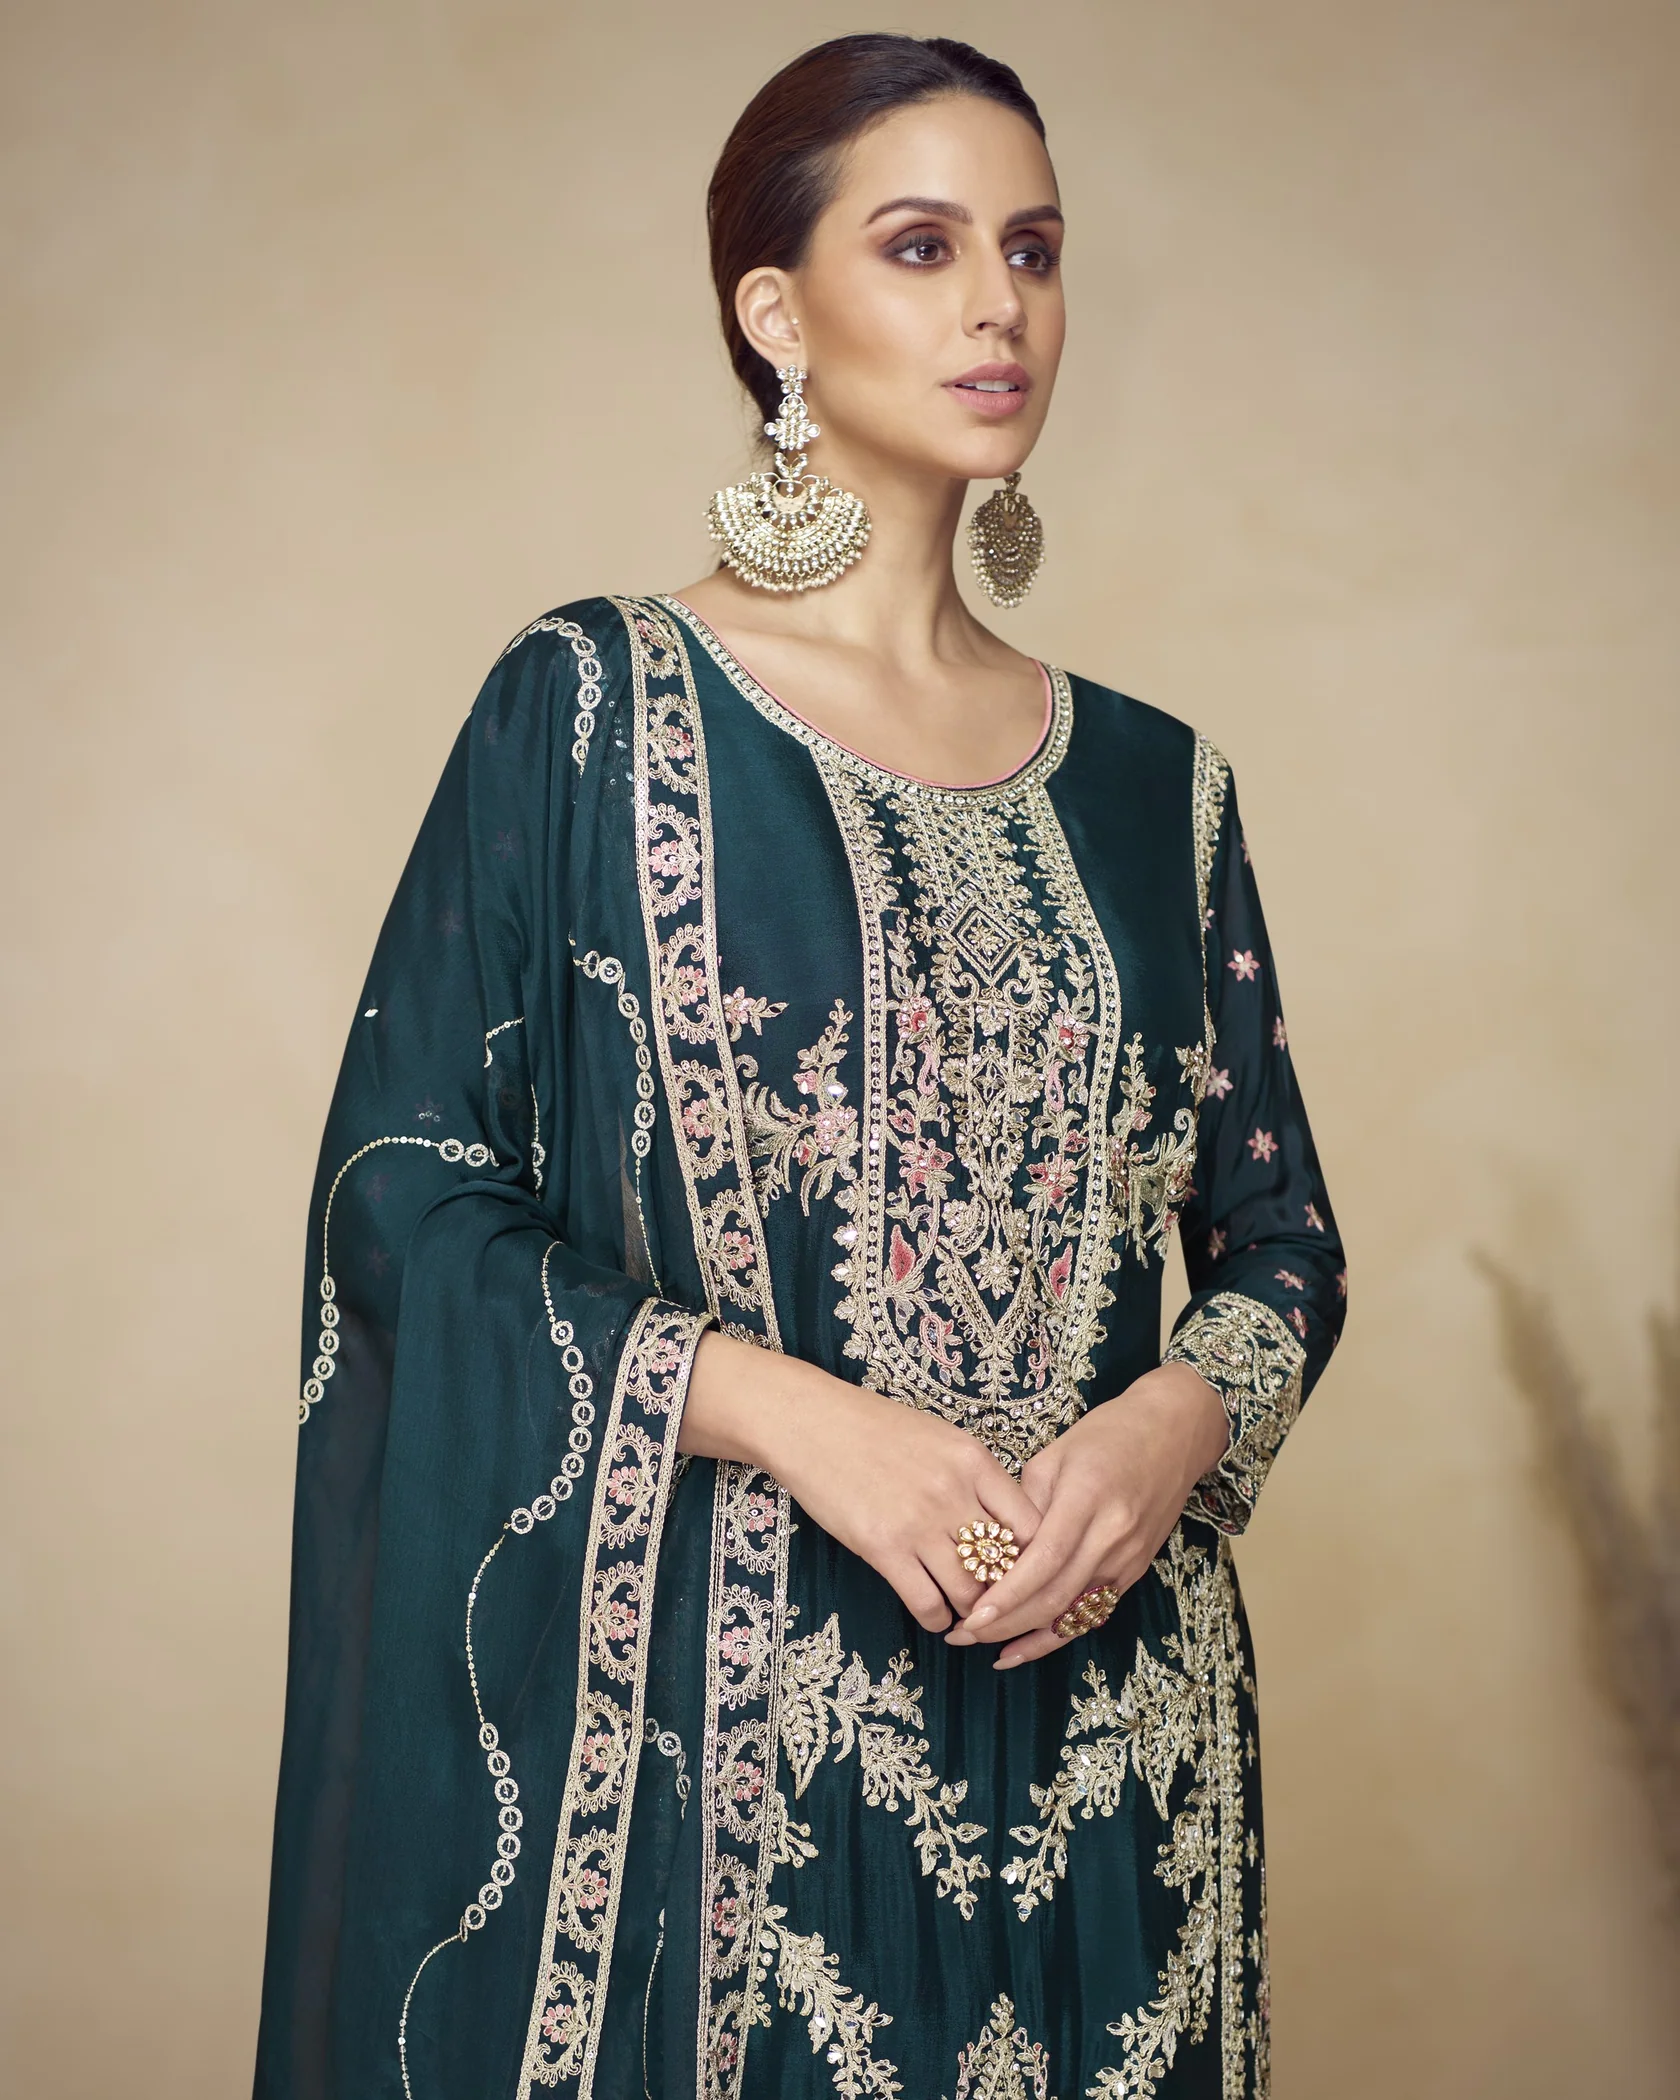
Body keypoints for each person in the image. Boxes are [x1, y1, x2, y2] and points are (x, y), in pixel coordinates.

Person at [255, 33, 1346, 2100]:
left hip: (1127, 1758)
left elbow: (1282, 1236)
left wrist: (1171, 1428)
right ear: (775, 312)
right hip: (728, 1759)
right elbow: (403, 1205)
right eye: (923, 246)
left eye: (1033, 250)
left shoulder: (1159, 789)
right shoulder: (592, 709)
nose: (1000, 303)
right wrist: (794, 1421)